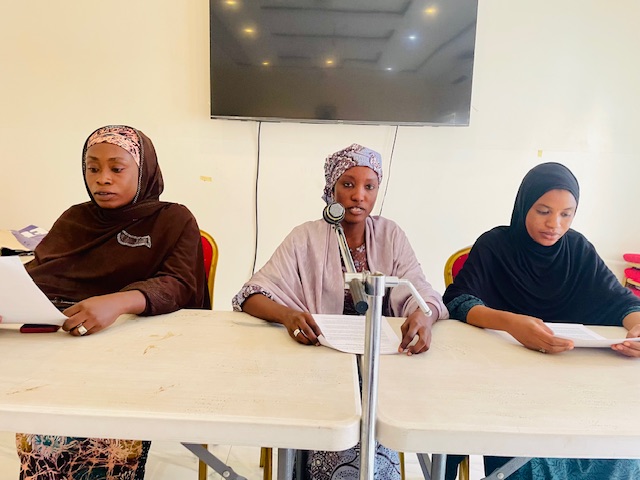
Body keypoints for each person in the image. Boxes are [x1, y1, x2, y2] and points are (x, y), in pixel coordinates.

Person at [233, 143, 448, 480]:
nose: (358, 195)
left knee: (376, 432)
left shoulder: (390, 235)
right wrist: (288, 316)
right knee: (334, 432)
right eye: (348, 184)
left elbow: (422, 292)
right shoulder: (305, 237)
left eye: (369, 186)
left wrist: (423, 316)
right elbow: (251, 295)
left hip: (381, 366)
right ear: (331, 188)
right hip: (319, 363)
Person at [17, 125, 210, 480]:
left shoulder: (173, 219)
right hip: (60, 352)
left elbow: (180, 284)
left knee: (103, 455)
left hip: (134, 359)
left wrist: (118, 303)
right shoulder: (75, 218)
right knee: (44, 446)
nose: (102, 179)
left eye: (116, 168)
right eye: (92, 168)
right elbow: (41, 275)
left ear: (143, 170)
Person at [443, 162, 640, 480]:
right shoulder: (495, 246)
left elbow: (621, 301)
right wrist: (512, 324)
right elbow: (457, 301)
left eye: (566, 214)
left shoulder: (577, 249)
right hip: (505, 387)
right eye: (543, 211)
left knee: (622, 448)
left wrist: (637, 325)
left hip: (574, 386)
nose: (554, 224)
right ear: (524, 205)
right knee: (527, 460)